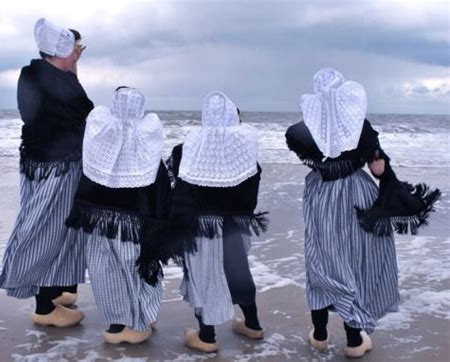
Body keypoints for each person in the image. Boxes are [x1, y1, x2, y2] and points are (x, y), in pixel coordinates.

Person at [285, 68, 440, 358]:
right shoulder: (361, 127)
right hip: (357, 194)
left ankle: (319, 335)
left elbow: (312, 160)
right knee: (354, 262)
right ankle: (354, 341)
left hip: (320, 197)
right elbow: (378, 169)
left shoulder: (300, 132)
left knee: (321, 259)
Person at [0, 18, 93, 327]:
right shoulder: (61, 82)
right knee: (50, 230)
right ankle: (45, 307)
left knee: (52, 226)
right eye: (75, 48)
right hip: (59, 166)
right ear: (62, 50)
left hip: (35, 163)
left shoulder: (30, 73)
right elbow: (85, 110)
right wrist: (74, 69)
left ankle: (55, 291)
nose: (78, 53)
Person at [66, 87, 170, 344]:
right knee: (134, 269)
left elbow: (84, 179)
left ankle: (115, 325)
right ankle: (139, 322)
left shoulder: (99, 138)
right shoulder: (146, 144)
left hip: (98, 220)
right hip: (134, 224)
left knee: (104, 272)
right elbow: (159, 190)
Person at [167, 91, 268, 353]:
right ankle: (253, 325)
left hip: (201, 227)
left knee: (203, 277)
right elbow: (252, 192)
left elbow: (176, 188)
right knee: (238, 272)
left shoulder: (185, 149)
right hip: (236, 224)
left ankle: (207, 337)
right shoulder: (246, 152)